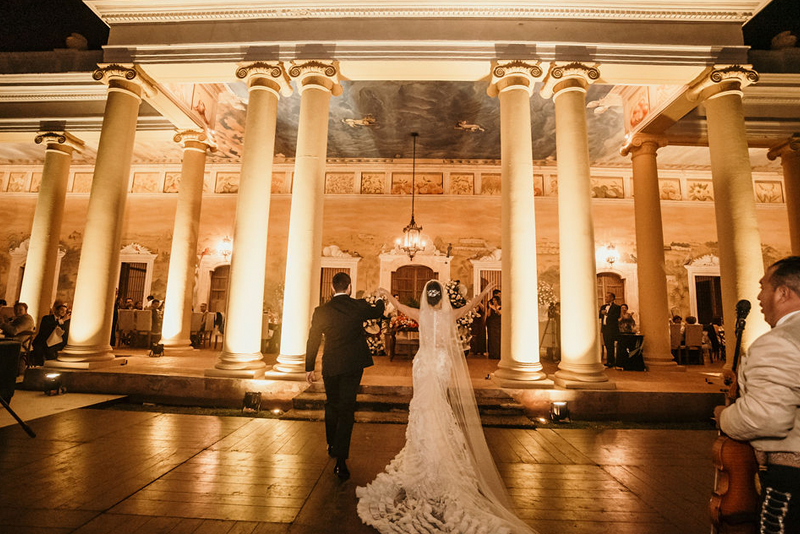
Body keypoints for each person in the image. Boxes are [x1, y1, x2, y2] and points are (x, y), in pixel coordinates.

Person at [357, 281, 536, 533]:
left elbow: (396, 306)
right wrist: (484, 293)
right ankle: (437, 450)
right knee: (436, 402)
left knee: (422, 406)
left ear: (425, 298)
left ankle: (422, 450)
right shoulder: (450, 314)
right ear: (441, 297)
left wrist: (386, 294)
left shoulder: (419, 314)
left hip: (422, 363)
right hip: (440, 362)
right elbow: (472, 304)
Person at [717, 256, 800, 533]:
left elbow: (768, 417)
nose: (758, 295)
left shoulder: (780, 341)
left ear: (783, 293)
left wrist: (725, 417)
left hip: (792, 482)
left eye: (763, 286)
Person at [305, 272, 385, 481]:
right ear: (349, 287)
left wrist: (309, 366)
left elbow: (313, 339)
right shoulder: (357, 306)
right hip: (352, 365)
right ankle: (341, 461)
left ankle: (332, 444)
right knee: (347, 408)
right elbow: (378, 311)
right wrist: (379, 298)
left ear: (333, 288)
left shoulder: (321, 311)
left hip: (331, 364)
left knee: (332, 404)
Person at [31, 300, 70, 365]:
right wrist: (61, 321)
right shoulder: (47, 318)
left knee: (51, 351)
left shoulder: (66, 321)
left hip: (56, 343)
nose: (64, 312)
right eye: (62, 310)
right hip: (43, 341)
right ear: (56, 310)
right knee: (40, 350)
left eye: (65, 311)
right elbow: (47, 328)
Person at [599, 292, 621, 367]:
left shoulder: (617, 307)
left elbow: (616, 317)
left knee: (611, 345)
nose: (606, 298)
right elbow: (599, 316)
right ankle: (609, 361)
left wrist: (607, 314)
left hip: (612, 329)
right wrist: (601, 313)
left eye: (607, 297)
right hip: (605, 328)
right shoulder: (603, 307)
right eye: (606, 297)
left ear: (612, 298)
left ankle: (611, 362)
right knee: (607, 345)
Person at [485, 289, 502, 359]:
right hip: (492, 324)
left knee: (498, 338)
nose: (494, 301)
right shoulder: (490, 305)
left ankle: (498, 354)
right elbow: (488, 315)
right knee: (492, 339)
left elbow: (499, 313)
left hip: (498, 324)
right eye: (493, 300)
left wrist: (494, 307)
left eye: (495, 300)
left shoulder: (500, 306)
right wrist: (489, 308)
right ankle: (492, 354)